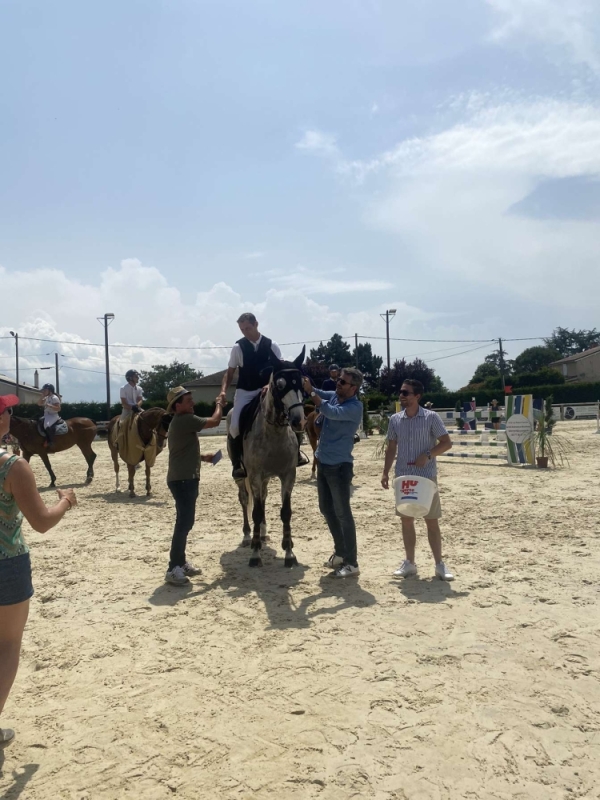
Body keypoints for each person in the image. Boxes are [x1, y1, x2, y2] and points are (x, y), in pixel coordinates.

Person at [0, 394, 77, 748]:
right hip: (7, 564)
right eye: (7, 410)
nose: (11, 414)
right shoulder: (13, 466)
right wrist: (65, 500)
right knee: (7, 645)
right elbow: (41, 522)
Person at [381, 379, 454, 581]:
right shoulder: (395, 419)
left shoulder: (431, 418)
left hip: (426, 477)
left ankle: (439, 564)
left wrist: (428, 455)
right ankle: (409, 563)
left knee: (431, 521)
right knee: (406, 520)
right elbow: (391, 447)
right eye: (401, 392)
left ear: (417, 396)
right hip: (403, 476)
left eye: (406, 392)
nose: (401, 396)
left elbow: (447, 443)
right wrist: (385, 472)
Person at [221, 312, 308, 479]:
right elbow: (229, 373)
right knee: (234, 425)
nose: (245, 332)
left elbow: (280, 370)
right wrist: (223, 391)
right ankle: (237, 463)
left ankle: (296, 453)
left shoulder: (272, 345)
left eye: (248, 328)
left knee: (292, 413)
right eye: (242, 329)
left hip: (268, 389)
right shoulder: (238, 348)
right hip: (245, 391)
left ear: (256, 324)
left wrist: (269, 385)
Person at [302, 368, 364, 578]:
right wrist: (308, 385)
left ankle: (352, 562)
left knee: (343, 514)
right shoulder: (336, 396)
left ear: (353, 388)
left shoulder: (354, 407)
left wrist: (312, 394)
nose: (338, 384)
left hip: (339, 467)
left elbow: (329, 411)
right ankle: (340, 552)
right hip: (324, 464)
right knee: (326, 509)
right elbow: (320, 392)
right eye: (338, 381)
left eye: (343, 382)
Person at [164, 386, 225, 586]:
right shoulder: (185, 420)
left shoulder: (179, 422)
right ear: (178, 405)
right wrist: (219, 404)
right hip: (183, 480)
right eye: (189, 400)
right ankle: (173, 567)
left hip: (184, 478)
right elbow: (215, 421)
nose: (193, 403)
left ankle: (180, 563)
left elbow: (181, 451)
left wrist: (202, 458)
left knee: (185, 522)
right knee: (184, 523)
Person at [36, 383, 61, 449]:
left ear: (50, 390)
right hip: (46, 415)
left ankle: (51, 442)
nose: (43, 391)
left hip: (53, 415)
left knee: (47, 425)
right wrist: (42, 397)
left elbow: (58, 408)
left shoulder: (54, 398)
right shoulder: (47, 397)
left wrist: (50, 406)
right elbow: (39, 404)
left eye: (45, 390)